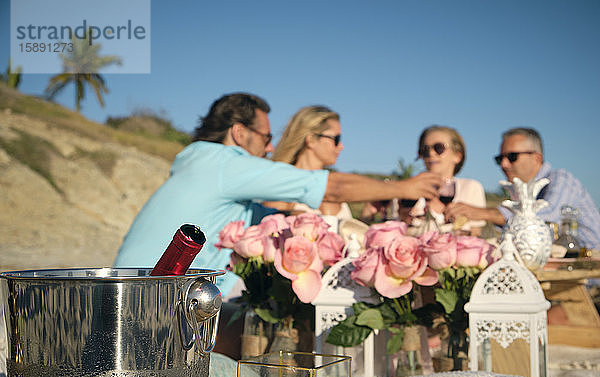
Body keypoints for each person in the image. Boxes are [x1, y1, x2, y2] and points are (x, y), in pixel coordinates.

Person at [114, 92, 442, 299]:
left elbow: (266, 222)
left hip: (138, 291)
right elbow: (330, 186)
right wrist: (404, 187)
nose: (270, 147)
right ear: (239, 133)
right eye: (265, 137)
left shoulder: (205, 167)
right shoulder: (223, 162)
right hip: (146, 300)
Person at [445, 127, 600, 250]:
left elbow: (546, 217)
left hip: (592, 279)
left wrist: (483, 213)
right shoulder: (521, 193)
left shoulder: (562, 179)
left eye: (512, 157)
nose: (504, 164)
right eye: (500, 159)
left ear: (536, 158)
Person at [264, 105, 353, 220]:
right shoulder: (283, 188)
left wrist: (367, 215)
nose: (341, 146)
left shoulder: (334, 187)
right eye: (336, 139)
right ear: (311, 139)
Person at [402, 125, 486, 235]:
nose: (431, 153)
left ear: (457, 156)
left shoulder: (470, 188)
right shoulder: (408, 189)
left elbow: (475, 237)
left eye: (439, 148)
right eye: (425, 150)